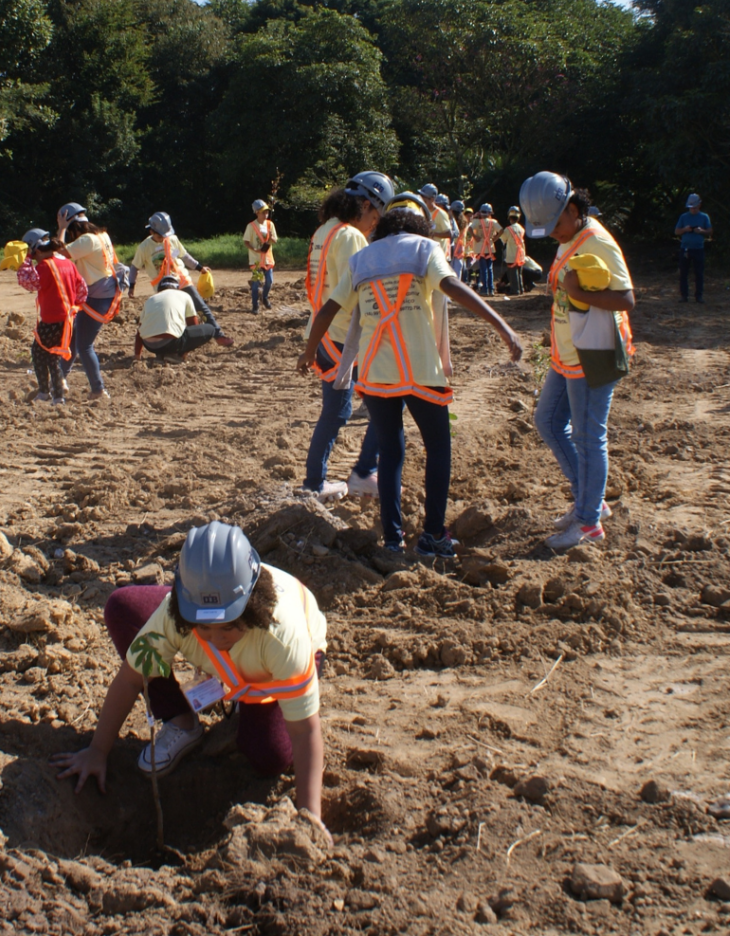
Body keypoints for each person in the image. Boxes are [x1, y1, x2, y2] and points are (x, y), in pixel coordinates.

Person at [51, 521, 331, 838]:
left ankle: (246, 702)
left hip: (267, 671)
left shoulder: (283, 639)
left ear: (251, 606)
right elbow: (130, 680)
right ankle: (182, 721)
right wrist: (97, 751)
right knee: (123, 608)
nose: (214, 638)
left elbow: (306, 730)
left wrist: (311, 821)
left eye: (226, 626)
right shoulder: (177, 618)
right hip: (237, 654)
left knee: (269, 756)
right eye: (203, 627)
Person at [297, 193, 522, 558]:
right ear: (420, 226)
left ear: (385, 226)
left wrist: (309, 353)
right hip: (420, 368)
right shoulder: (424, 250)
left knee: (391, 451)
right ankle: (433, 534)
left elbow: (326, 311)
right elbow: (453, 288)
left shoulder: (362, 259)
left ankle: (392, 538)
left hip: (375, 372)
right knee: (438, 449)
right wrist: (502, 326)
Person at [521, 172, 635, 551]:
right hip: (567, 353)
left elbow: (625, 299)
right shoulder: (571, 236)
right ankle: (589, 501)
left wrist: (574, 290)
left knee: (588, 437)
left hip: (594, 352)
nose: (552, 234)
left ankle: (587, 522)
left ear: (573, 209)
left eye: (555, 225)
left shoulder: (598, 242)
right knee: (549, 421)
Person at [302, 172, 391, 502]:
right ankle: (339, 478)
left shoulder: (325, 230)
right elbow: (357, 291)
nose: (373, 225)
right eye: (374, 217)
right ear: (366, 205)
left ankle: (332, 478)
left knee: (345, 409)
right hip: (343, 337)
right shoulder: (351, 236)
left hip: (323, 332)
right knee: (368, 406)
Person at [130, 212, 233, 346]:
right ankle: (177, 340)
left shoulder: (172, 240)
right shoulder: (144, 248)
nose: (163, 238)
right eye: (159, 235)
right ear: (151, 231)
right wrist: (131, 286)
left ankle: (218, 335)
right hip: (163, 288)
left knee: (200, 307)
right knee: (171, 314)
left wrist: (200, 268)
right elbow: (134, 267)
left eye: (164, 235)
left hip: (182, 280)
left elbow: (184, 256)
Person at [56, 202, 125, 401]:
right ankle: (60, 378)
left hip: (97, 297)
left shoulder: (86, 240)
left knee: (84, 345)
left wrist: (61, 229)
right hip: (103, 293)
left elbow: (58, 255)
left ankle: (98, 390)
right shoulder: (102, 235)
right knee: (73, 338)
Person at [17, 232, 87, 404]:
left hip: (51, 319)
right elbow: (83, 289)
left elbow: (28, 282)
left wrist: (24, 261)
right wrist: (74, 307)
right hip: (69, 319)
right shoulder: (68, 263)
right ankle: (56, 395)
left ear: (38, 252)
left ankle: (48, 393)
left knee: (40, 354)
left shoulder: (44, 266)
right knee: (52, 357)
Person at [134, 275, 216, 361]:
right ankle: (177, 355)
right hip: (171, 343)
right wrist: (186, 350)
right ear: (177, 288)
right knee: (210, 328)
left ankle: (162, 354)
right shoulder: (184, 295)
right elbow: (193, 325)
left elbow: (139, 331)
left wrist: (137, 356)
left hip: (149, 345)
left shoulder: (150, 300)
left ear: (158, 290)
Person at [675, 193, 712, 304]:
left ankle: (699, 296)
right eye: (691, 208)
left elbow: (710, 231)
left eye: (695, 208)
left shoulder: (704, 217)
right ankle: (684, 296)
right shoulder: (683, 217)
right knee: (683, 273)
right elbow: (676, 231)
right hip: (685, 248)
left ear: (699, 205)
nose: (693, 210)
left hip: (698, 249)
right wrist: (685, 229)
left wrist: (702, 231)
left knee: (699, 273)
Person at [243, 199, 279, 313]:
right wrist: (254, 250)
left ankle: (265, 297)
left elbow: (275, 239)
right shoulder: (251, 226)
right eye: (263, 212)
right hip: (256, 259)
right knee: (256, 284)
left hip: (268, 258)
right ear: (257, 212)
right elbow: (246, 241)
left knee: (269, 281)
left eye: (267, 212)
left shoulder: (270, 224)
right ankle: (255, 305)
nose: (266, 214)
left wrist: (273, 239)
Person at [469, 204, 502, 296]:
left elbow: (469, 227)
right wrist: (495, 238)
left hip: (480, 247)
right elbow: (501, 230)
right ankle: (491, 289)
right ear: (490, 213)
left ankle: (485, 289)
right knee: (490, 269)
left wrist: (475, 236)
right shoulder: (493, 222)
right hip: (490, 247)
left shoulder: (476, 221)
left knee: (483, 269)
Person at [501, 207, 527, 296]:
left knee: (513, 273)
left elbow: (504, 239)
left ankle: (515, 290)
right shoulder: (521, 228)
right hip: (520, 253)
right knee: (519, 273)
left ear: (510, 217)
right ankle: (521, 288)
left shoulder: (508, 229)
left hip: (512, 254)